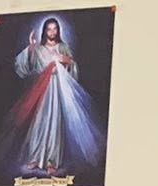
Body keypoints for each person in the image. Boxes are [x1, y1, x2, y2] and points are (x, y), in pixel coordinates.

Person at [6, 17, 104, 177]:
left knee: (54, 124)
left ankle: (51, 161)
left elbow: (73, 66)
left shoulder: (63, 47)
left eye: (54, 29)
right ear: (44, 31)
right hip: (41, 90)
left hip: (58, 90)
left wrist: (66, 60)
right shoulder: (38, 48)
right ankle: (36, 157)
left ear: (58, 31)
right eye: (49, 29)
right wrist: (30, 47)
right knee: (39, 123)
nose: (52, 32)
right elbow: (24, 66)